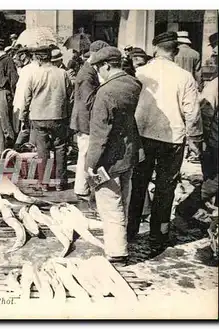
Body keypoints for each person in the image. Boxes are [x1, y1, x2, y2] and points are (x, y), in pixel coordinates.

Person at [128, 32, 203, 252]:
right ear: (176, 51)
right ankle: (158, 235)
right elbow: (192, 113)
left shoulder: (140, 73)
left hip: (143, 134)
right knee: (165, 188)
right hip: (172, 139)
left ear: (155, 49)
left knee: (138, 183)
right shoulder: (184, 77)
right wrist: (195, 139)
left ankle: (130, 229)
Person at [85, 47, 143, 266]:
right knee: (123, 201)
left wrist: (90, 164)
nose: (99, 72)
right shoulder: (132, 83)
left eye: (99, 67)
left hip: (109, 159)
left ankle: (117, 252)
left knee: (110, 205)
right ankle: (121, 242)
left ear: (107, 65)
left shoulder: (105, 92)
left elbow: (100, 134)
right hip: (129, 153)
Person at [175, 35, 219, 225]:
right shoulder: (216, 83)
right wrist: (202, 142)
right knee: (214, 180)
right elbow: (205, 112)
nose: (214, 55)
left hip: (213, 141)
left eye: (217, 50)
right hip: (216, 143)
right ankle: (185, 209)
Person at [21, 46, 73, 192]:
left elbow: (27, 97)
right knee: (60, 148)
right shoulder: (63, 73)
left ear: (37, 58)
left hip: (38, 117)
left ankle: (43, 183)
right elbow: (70, 95)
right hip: (58, 115)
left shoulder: (33, 74)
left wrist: (23, 115)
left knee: (42, 150)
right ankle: (59, 182)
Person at [70, 40, 109, 200]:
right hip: (86, 120)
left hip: (84, 119)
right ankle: (82, 188)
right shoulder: (87, 73)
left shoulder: (88, 70)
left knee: (85, 154)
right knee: (86, 154)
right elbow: (88, 100)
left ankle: (82, 187)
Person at [13, 47, 38, 149]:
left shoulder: (28, 69)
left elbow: (24, 92)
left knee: (25, 129)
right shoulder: (28, 69)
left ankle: (17, 148)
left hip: (25, 104)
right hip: (25, 104)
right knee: (27, 129)